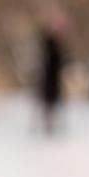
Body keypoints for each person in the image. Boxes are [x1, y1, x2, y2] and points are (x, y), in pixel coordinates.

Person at [37, 7, 69, 135]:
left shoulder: (53, 43)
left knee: (52, 103)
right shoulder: (49, 43)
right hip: (49, 78)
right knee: (49, 103)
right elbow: (49, 61)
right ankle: (48, 127)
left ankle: (50, 126)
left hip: (53, 77)